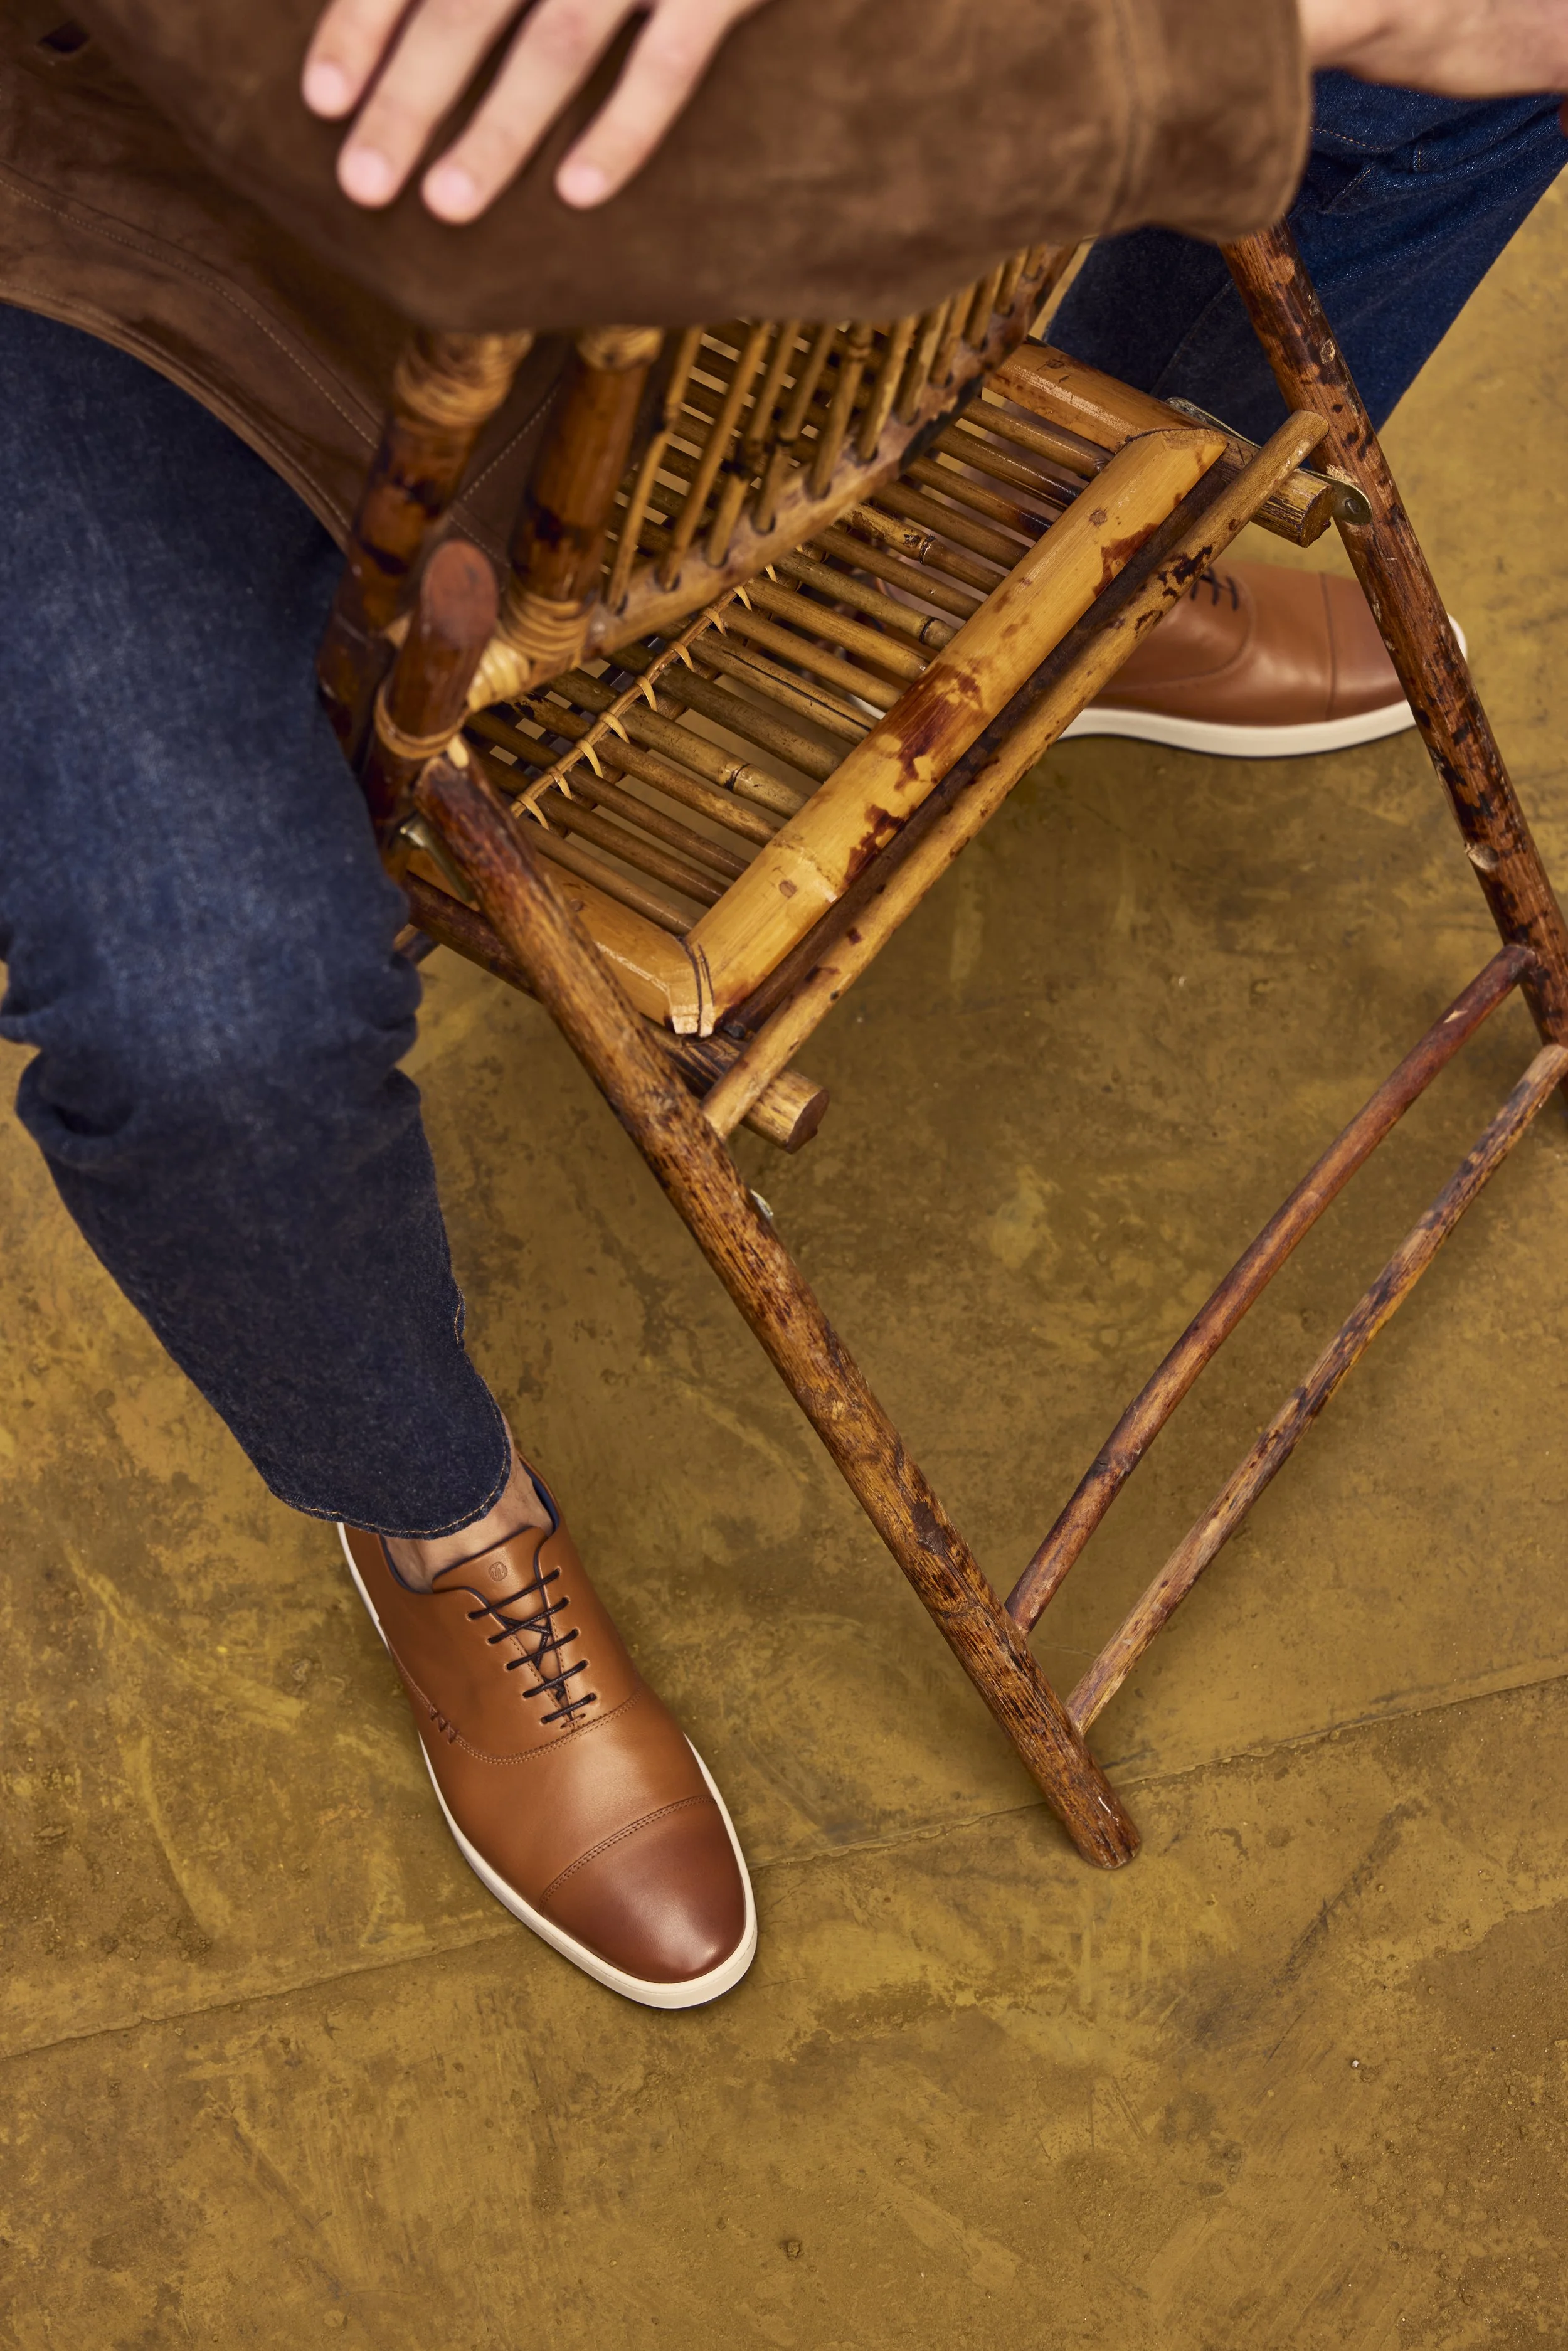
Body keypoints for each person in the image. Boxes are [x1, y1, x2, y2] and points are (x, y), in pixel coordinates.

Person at [3, 0, 1565, 2009]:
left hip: (626, 142)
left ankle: (999, 517)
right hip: (84, 229)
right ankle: (430, 1514)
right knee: (203, 1009)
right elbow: (412, 128)